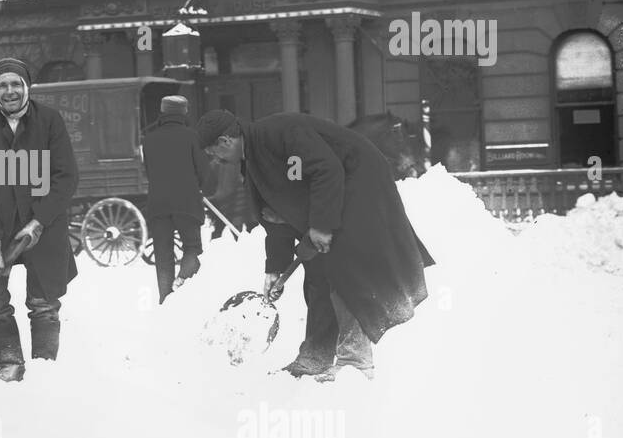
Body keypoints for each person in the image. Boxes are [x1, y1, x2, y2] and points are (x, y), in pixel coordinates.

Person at [200, 109, 435, 383]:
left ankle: (355, 362)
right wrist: (275, 268)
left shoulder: (280, 135)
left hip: (359, 186)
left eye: (212, 153)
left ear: (225, 141)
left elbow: (326, 170)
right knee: (317, 271)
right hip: (333, 196)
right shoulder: (253, 160)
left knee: (345, 272)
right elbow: (274, 214)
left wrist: (321, 226)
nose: (214, 160)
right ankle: (315, 357)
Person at [0, 57, 79, 382]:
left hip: (43, 224)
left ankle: (44, 366)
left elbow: (65, 177)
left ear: (27, 87)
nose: (9, 91)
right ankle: (10, 361)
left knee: (43, 301)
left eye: (15, 84)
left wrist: (40, 220)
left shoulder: (50, 121)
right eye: (2, 85)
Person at [142, 95, 211, 303]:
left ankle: (165, 300)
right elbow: (204, 171)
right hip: (187, 203)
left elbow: (148, 171)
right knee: (192, 248)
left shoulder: (149, 139)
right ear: (184, 112)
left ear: (163, 112)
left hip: (158, 204)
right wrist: (200, 188)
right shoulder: (192, 136)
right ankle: (181, 283)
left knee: (163, 256)